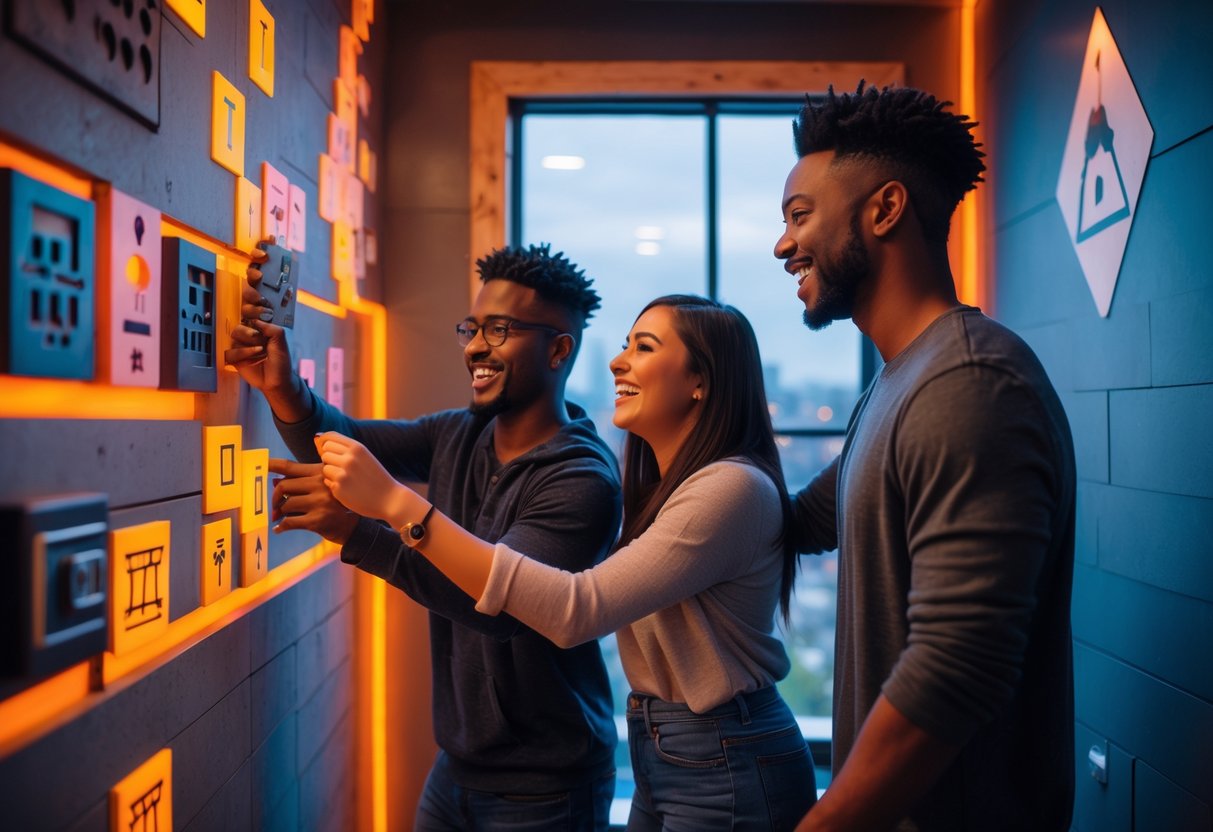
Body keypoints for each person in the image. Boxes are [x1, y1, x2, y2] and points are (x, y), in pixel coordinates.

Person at [315, 294, 818, 831]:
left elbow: (576, 611)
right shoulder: (672, 488)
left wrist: (397, 506)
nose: (617, 361)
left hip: (727, 759)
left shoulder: (730, 488)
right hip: (668, 750)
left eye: (644, 347)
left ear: (702, 381)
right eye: (625, 344)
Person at [225, 243, 623, 831]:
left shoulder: (582, 479)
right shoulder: (458, 434)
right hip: (456, 770)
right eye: (472, 328)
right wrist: (282, 390)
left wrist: (360, 531)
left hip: (547, 790)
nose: (475, 347)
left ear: (559, 349)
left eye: (500, 330)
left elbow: (496, 606)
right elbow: (347, 440)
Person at [774, 82, 1076, 830]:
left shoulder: (968, 383)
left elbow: (958, 667)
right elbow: (799, 520)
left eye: (799, 215)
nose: (782, 245)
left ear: (883, 209)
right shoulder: (899, 382)